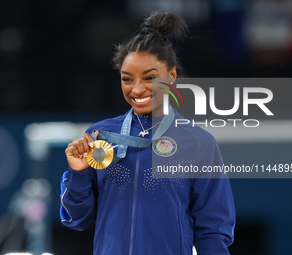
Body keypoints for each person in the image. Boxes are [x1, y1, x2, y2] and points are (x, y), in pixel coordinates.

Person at [60, 12, 235, 255]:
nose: (137, 88)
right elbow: (76, 219)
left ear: (171, 76)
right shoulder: (99, 136)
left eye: (149, 78)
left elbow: (213, 231)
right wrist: (78, 174)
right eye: (127, 79)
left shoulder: (198, 143)